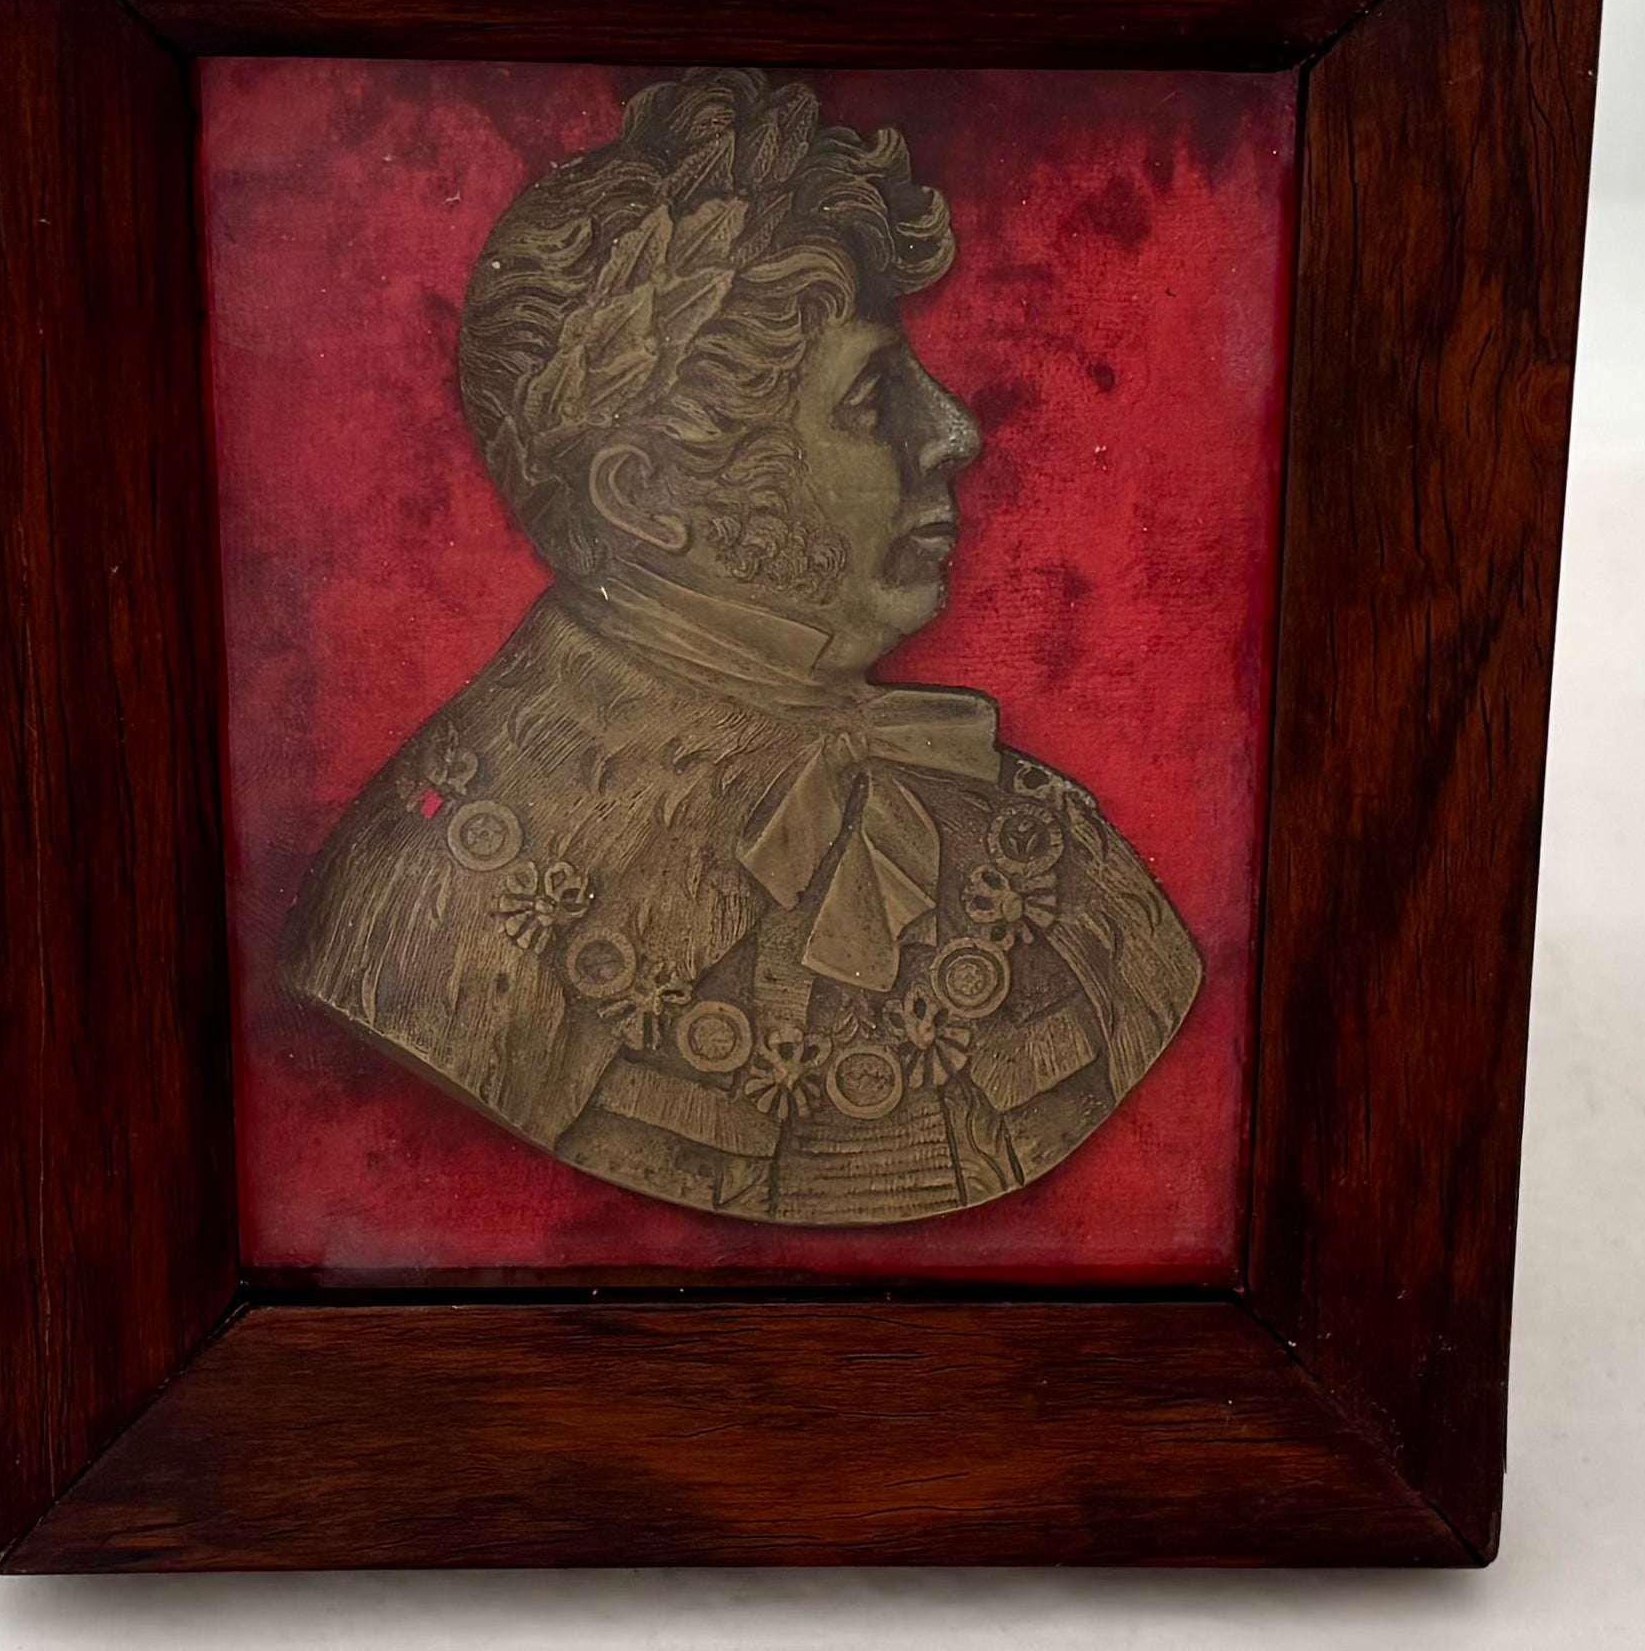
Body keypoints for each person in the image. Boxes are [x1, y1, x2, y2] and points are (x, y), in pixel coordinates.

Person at [284, 67, 1201, 1225]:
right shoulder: (423, 907)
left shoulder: (1047, 844)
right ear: (647, 493)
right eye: (869, 396)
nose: (954, 430)